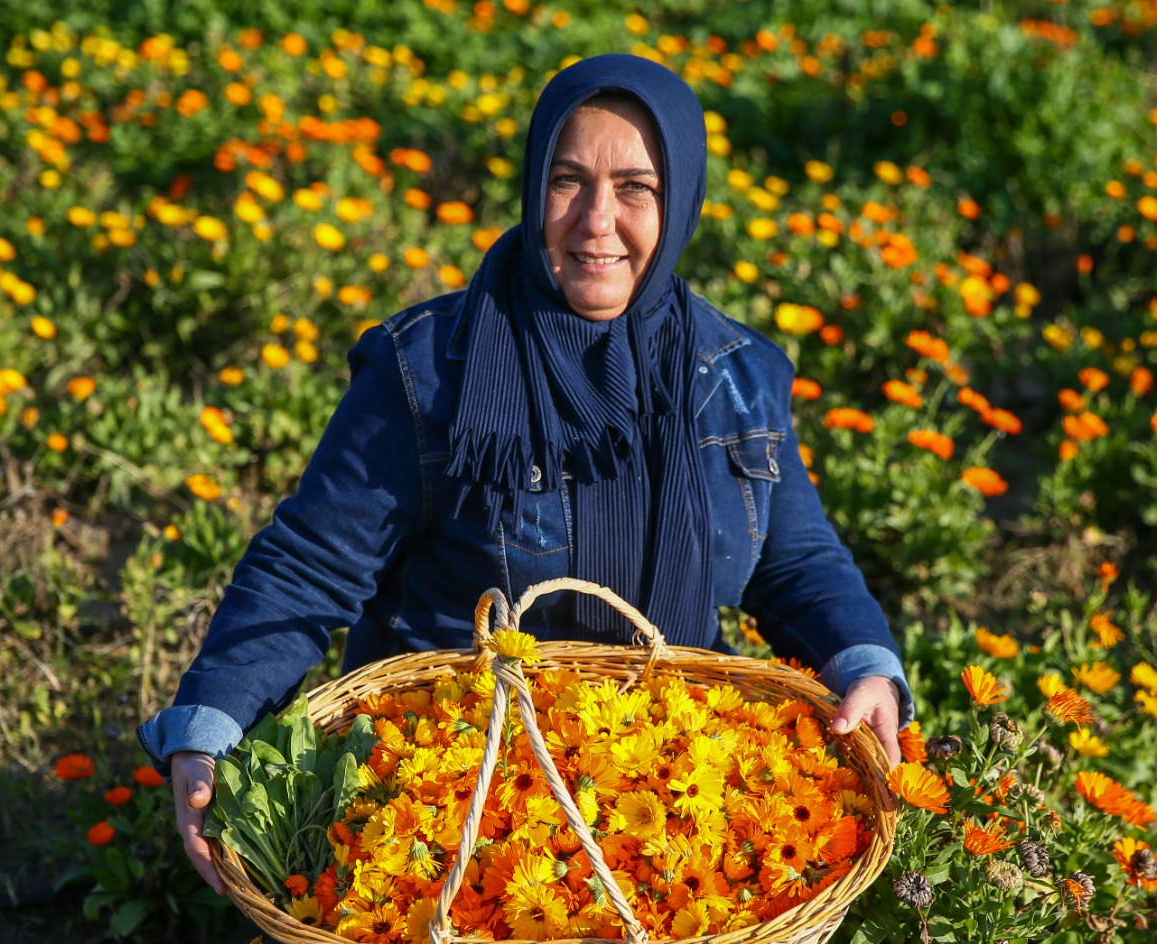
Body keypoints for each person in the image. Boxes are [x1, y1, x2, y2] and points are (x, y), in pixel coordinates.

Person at [138, 54, 914, 895]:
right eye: (568, 180)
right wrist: (208, 727)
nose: (595, 221)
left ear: (681, 201)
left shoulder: (731, 377)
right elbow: (310, 564)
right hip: (452, 797)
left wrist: (864, 663)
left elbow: (793, 562)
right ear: (533, 184)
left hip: (672, 781)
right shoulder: (430, 371)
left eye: (635, 188)